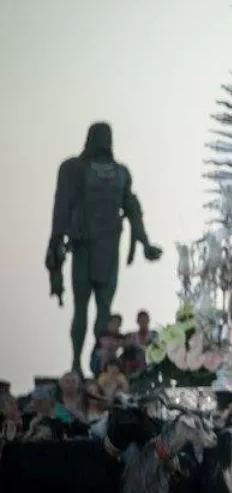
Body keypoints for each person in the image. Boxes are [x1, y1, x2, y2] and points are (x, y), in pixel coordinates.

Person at [47, 122, 163, 376]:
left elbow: (132, 207)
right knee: (81, 307)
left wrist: (144, 243)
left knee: (103, 309)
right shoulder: (75, 169)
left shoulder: (121, 173)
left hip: (108, 247)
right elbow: (61, 209)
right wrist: (55, 245)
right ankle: (77, 363)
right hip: (84, 247)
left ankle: (98, 362)